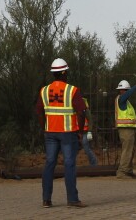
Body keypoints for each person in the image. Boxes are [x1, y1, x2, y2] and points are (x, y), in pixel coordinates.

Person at [36, 57, 88, 208]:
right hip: (67, 133)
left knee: (49, 164)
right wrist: (79, 131)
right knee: (69, 164)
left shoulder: (44, 90)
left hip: (50, 133)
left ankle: (46, 200)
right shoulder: (72, 90)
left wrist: (44, 128)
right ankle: (72, 199)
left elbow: (39, 112)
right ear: (64, 72)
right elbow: (81, 112)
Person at [113, 78, 136, 179]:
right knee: (127, 150)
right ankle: (122, 172)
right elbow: (127, 95)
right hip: (125, 129)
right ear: (123, 90)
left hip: (128, 129)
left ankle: (128, 170)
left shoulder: (125, 102)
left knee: (130, 150)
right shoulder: (121, 99)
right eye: (126, 90)